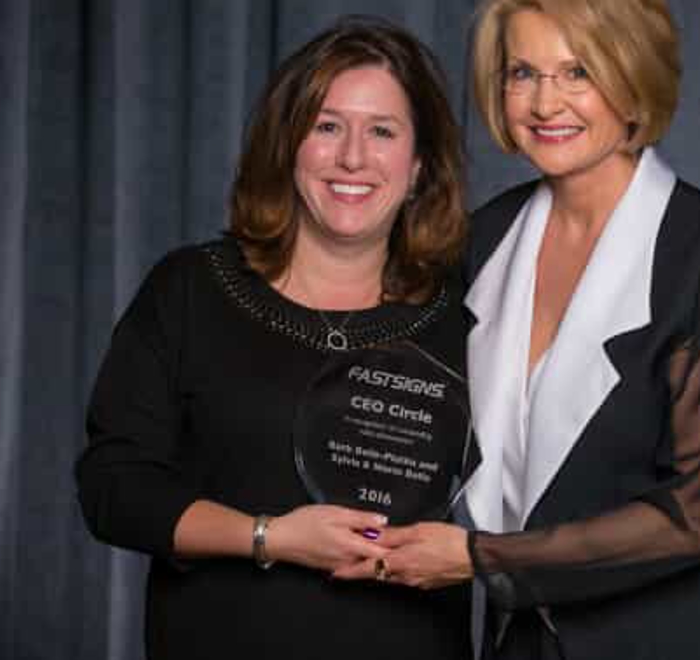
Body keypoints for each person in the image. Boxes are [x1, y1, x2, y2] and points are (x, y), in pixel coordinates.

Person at [334, 1, 700, 658]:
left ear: (633, 77)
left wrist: (481, 556)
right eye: (523, 72)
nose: (544, 102)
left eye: (578, 71)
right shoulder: (486, 237)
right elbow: (409, 411)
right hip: (526, 642)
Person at [74, 16, 473, 660]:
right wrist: (270, 538)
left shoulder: (472, 315)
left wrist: (473, 557)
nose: (353, 157)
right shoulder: (191, 290)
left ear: (420, 164)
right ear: (289, 144)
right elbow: (113, 489)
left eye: (382, 132)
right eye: (326, 126)